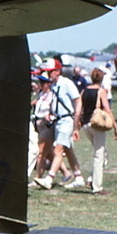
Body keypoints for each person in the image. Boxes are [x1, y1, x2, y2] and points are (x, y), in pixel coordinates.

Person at [34, 58, 83, 189]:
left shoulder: (66, 83)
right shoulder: (54, 85)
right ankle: (78, 177)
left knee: (58, 149)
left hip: (67, 120)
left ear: (57, 71)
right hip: (57, 120)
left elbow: (78, 101)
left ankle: (49, 178)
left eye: (50, 72)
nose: (48, 75)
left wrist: (76, 123)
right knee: (68, 150)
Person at [73, 67, 117, 195]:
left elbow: (78, 111)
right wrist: (115, 127)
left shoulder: (84, 91)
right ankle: (97, 187)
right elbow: (107, 110)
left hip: (86, 125)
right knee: (99, 155)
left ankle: (91, 179)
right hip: (97, 124)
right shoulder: (101, 91)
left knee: (103, 154)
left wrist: (76, 128)